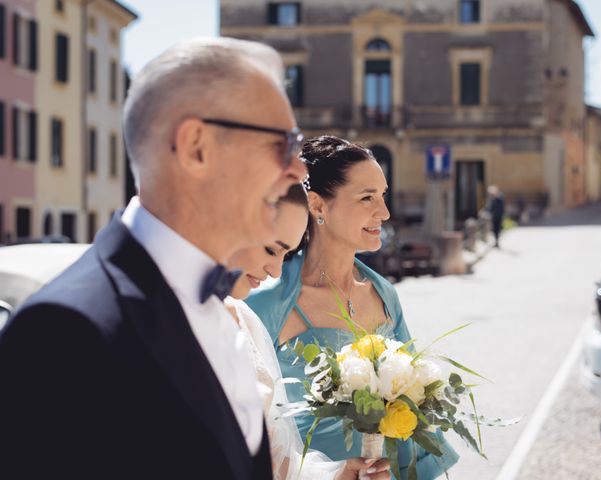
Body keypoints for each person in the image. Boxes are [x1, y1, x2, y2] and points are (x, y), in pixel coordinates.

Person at [0, 37, 307, 479]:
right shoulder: (64, 331)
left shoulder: (226, 313)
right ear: (196, 147)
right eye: (282, 143)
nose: (297, 170)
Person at [247, 136, 459, 480]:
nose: (384, 212)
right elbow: (248, 430)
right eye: (366, 198)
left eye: (383, 195)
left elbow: (415, 411)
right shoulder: (264, 303)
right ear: (317, 205)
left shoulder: (384, 294)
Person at [225, 183, 391, 480]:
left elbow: (277, 459)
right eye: (271, 249)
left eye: (285, 254)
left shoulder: (244, 320)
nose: (275, 271)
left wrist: (336, 476)